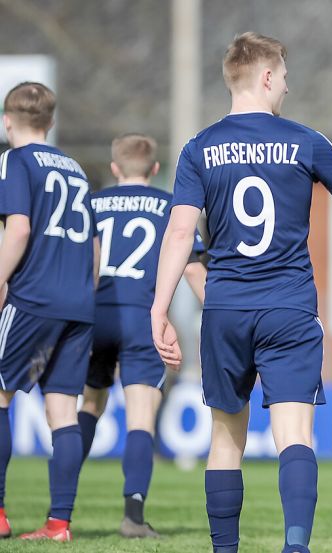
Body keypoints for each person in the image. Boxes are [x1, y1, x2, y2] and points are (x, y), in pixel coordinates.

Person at [151, 32, 332, 553]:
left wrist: (159, 309)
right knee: (295, 435)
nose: (287, 86)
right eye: (283, 76)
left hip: (225, 309)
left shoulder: (198, 148)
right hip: (288, 308)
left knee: (225, 439)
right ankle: (295, 547)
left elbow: (179, 234)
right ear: (266, 77)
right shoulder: (307, 141)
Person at [77, 133, 206, 538]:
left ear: (115, 168)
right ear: (154, 168)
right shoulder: (170, 206)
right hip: (143, 316)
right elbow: (191, 267)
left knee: (89, 405)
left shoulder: (91, 203)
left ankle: (59, 509)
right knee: (141, 416)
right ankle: (133, 516)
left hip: (95, 315)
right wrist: (221, 314)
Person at [0, 82, 98, 541]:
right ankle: (59, 522)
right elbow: (95, 248)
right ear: (51, 121)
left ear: (7, 121)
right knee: (63, 413)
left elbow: (18, 230)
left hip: (33, 298)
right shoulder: (77, 170)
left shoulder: (15, 161)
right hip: (79, 304)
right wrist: (82, 292)